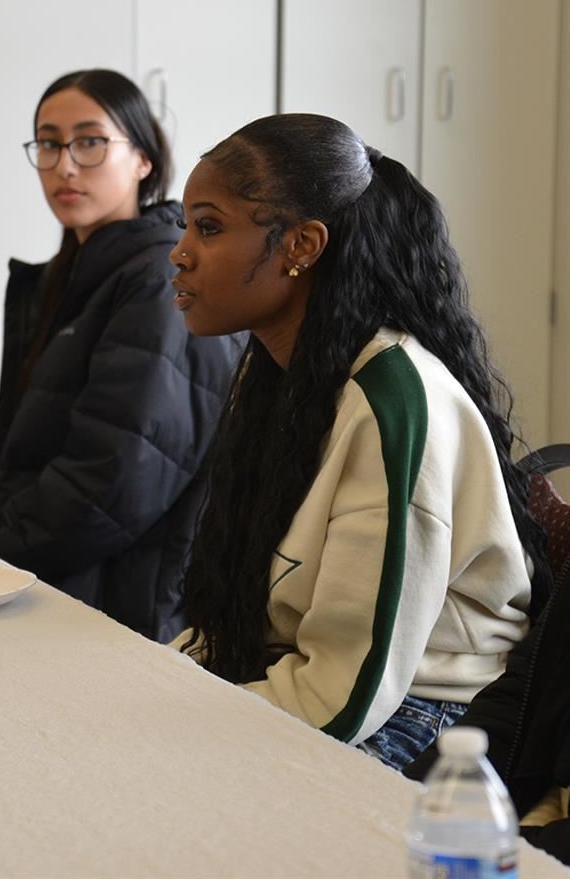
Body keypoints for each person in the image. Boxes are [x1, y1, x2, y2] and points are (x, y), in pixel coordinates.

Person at [169, 113, 550, 769]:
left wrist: (173, 727)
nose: (179, 251)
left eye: (208, 226)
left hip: (425, 710)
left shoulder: (391, 402)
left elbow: (345, 693)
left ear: (301, 246)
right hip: (317, 680)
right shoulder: (278, 375)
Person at [0, 69, 243, 642]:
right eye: (49, 143)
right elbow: (14, 451)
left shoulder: (160, 280)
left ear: (144, 160)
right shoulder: (77, 274)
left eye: (89, 142)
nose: (64, 165)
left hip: (113, 601)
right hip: (54, 571)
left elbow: (109, 488)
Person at [404, 555, 569, 863]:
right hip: (538, 804)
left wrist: (497, 849)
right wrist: (411, 795)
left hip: (430, 695)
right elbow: (521, 696)